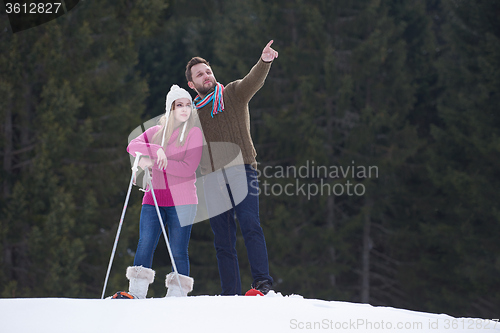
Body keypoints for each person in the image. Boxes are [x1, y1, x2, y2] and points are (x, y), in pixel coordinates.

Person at [185, 40, 278, 295]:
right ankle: (230, 294)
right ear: (192, 85)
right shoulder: (192, 115)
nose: (206, 76)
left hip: (242, 170)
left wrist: (265, 61)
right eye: (200, 74)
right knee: (223, 241)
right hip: (212, 180)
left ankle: (262, 283)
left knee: (250, 224)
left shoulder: (233, 94)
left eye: (208, 71)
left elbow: (253, 80)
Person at [118, 85, 203, 299]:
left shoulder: (194, 134)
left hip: (183, 202)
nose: (184, 109)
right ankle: (136, 293)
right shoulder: (156, 132)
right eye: (179, 105)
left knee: (178, 249)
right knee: (145, 242)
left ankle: (176, 297)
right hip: (153, 198)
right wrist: (157, 150)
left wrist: (153, 162)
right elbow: (132, 145)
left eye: (188, 105)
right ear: (170, 108)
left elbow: (187, 168)